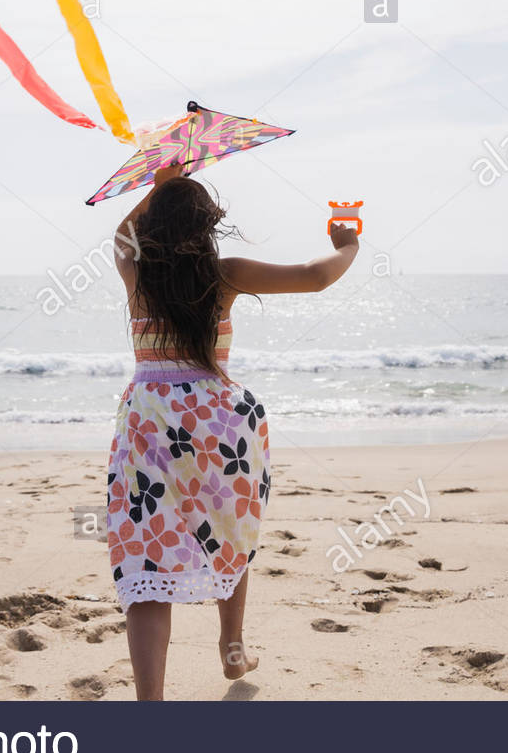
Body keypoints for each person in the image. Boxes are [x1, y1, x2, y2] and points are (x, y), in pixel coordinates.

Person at [107, 162, 360, 700]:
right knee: (231, 528)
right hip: (218, 421)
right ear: (208, 227)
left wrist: (159, 187)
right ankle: (233, 647)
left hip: (151, 422)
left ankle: (149, 704)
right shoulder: (225, 275)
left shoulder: (137, 271)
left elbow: (120, 236)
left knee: (146, 560)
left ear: (153, 227)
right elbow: (315, 277)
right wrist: (346, 246)